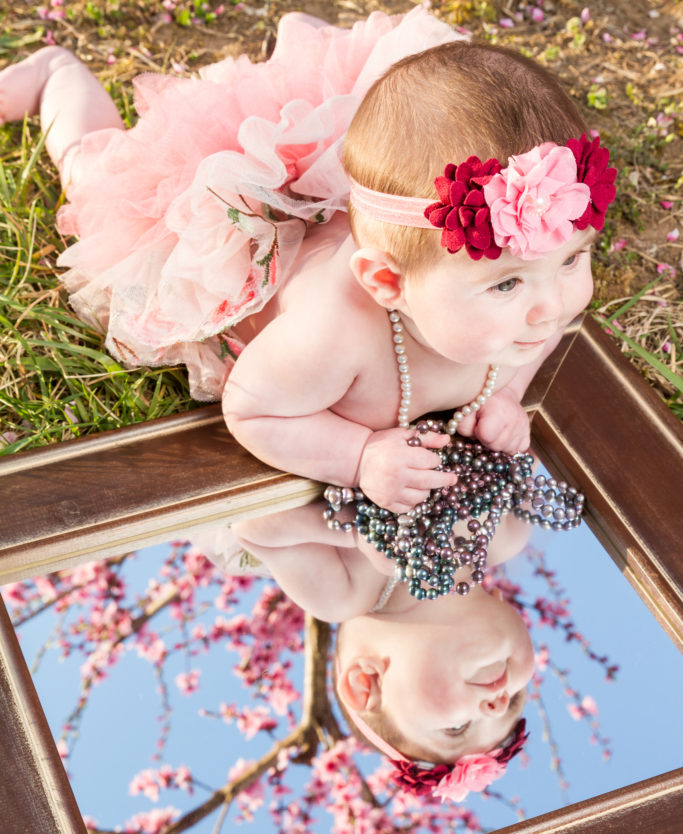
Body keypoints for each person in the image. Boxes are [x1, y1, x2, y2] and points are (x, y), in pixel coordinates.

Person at [0, 9, 615, 514]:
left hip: (358, 226)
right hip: (222, 231)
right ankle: (54, 76)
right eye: (506, 282)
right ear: (386, 282)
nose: (551, 307)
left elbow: (539, 331)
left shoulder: (529, 308)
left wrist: (504, 395)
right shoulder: (330, 337)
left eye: (572, 261)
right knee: (99, 174)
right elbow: (251, 408)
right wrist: (360, 455)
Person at [222, 498, 533, 801]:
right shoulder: (502, 534)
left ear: (365, 682)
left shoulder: (343, 591)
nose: (498, 705)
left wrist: (364, 530)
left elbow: (253, 524)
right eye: (516, 701)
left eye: (457, 727)